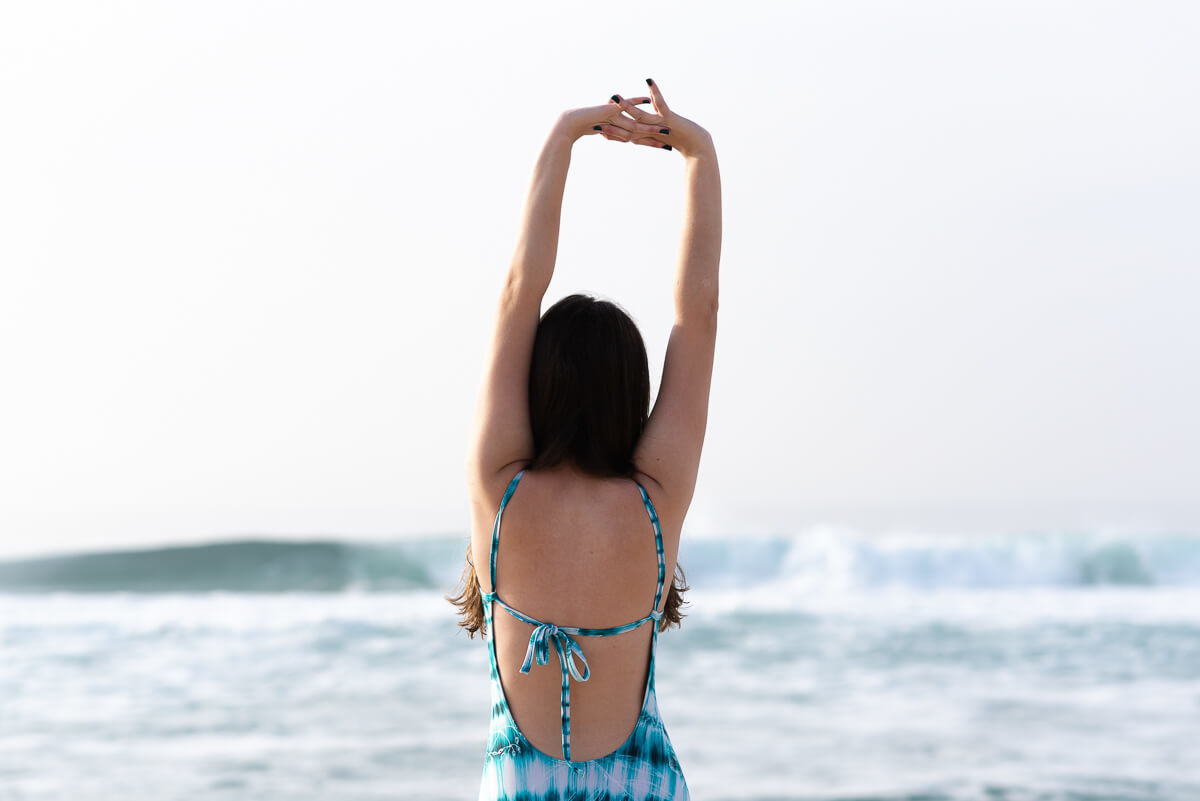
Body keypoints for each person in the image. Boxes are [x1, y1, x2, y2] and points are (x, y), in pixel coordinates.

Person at [450, 78, 721, 800]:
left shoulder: (498, 488)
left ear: (536, 384)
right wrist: (699, 155)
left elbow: (519, 290)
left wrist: (565, 135)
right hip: (645, 783)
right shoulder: (655, 499)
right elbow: (698, 313)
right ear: (631, 395)